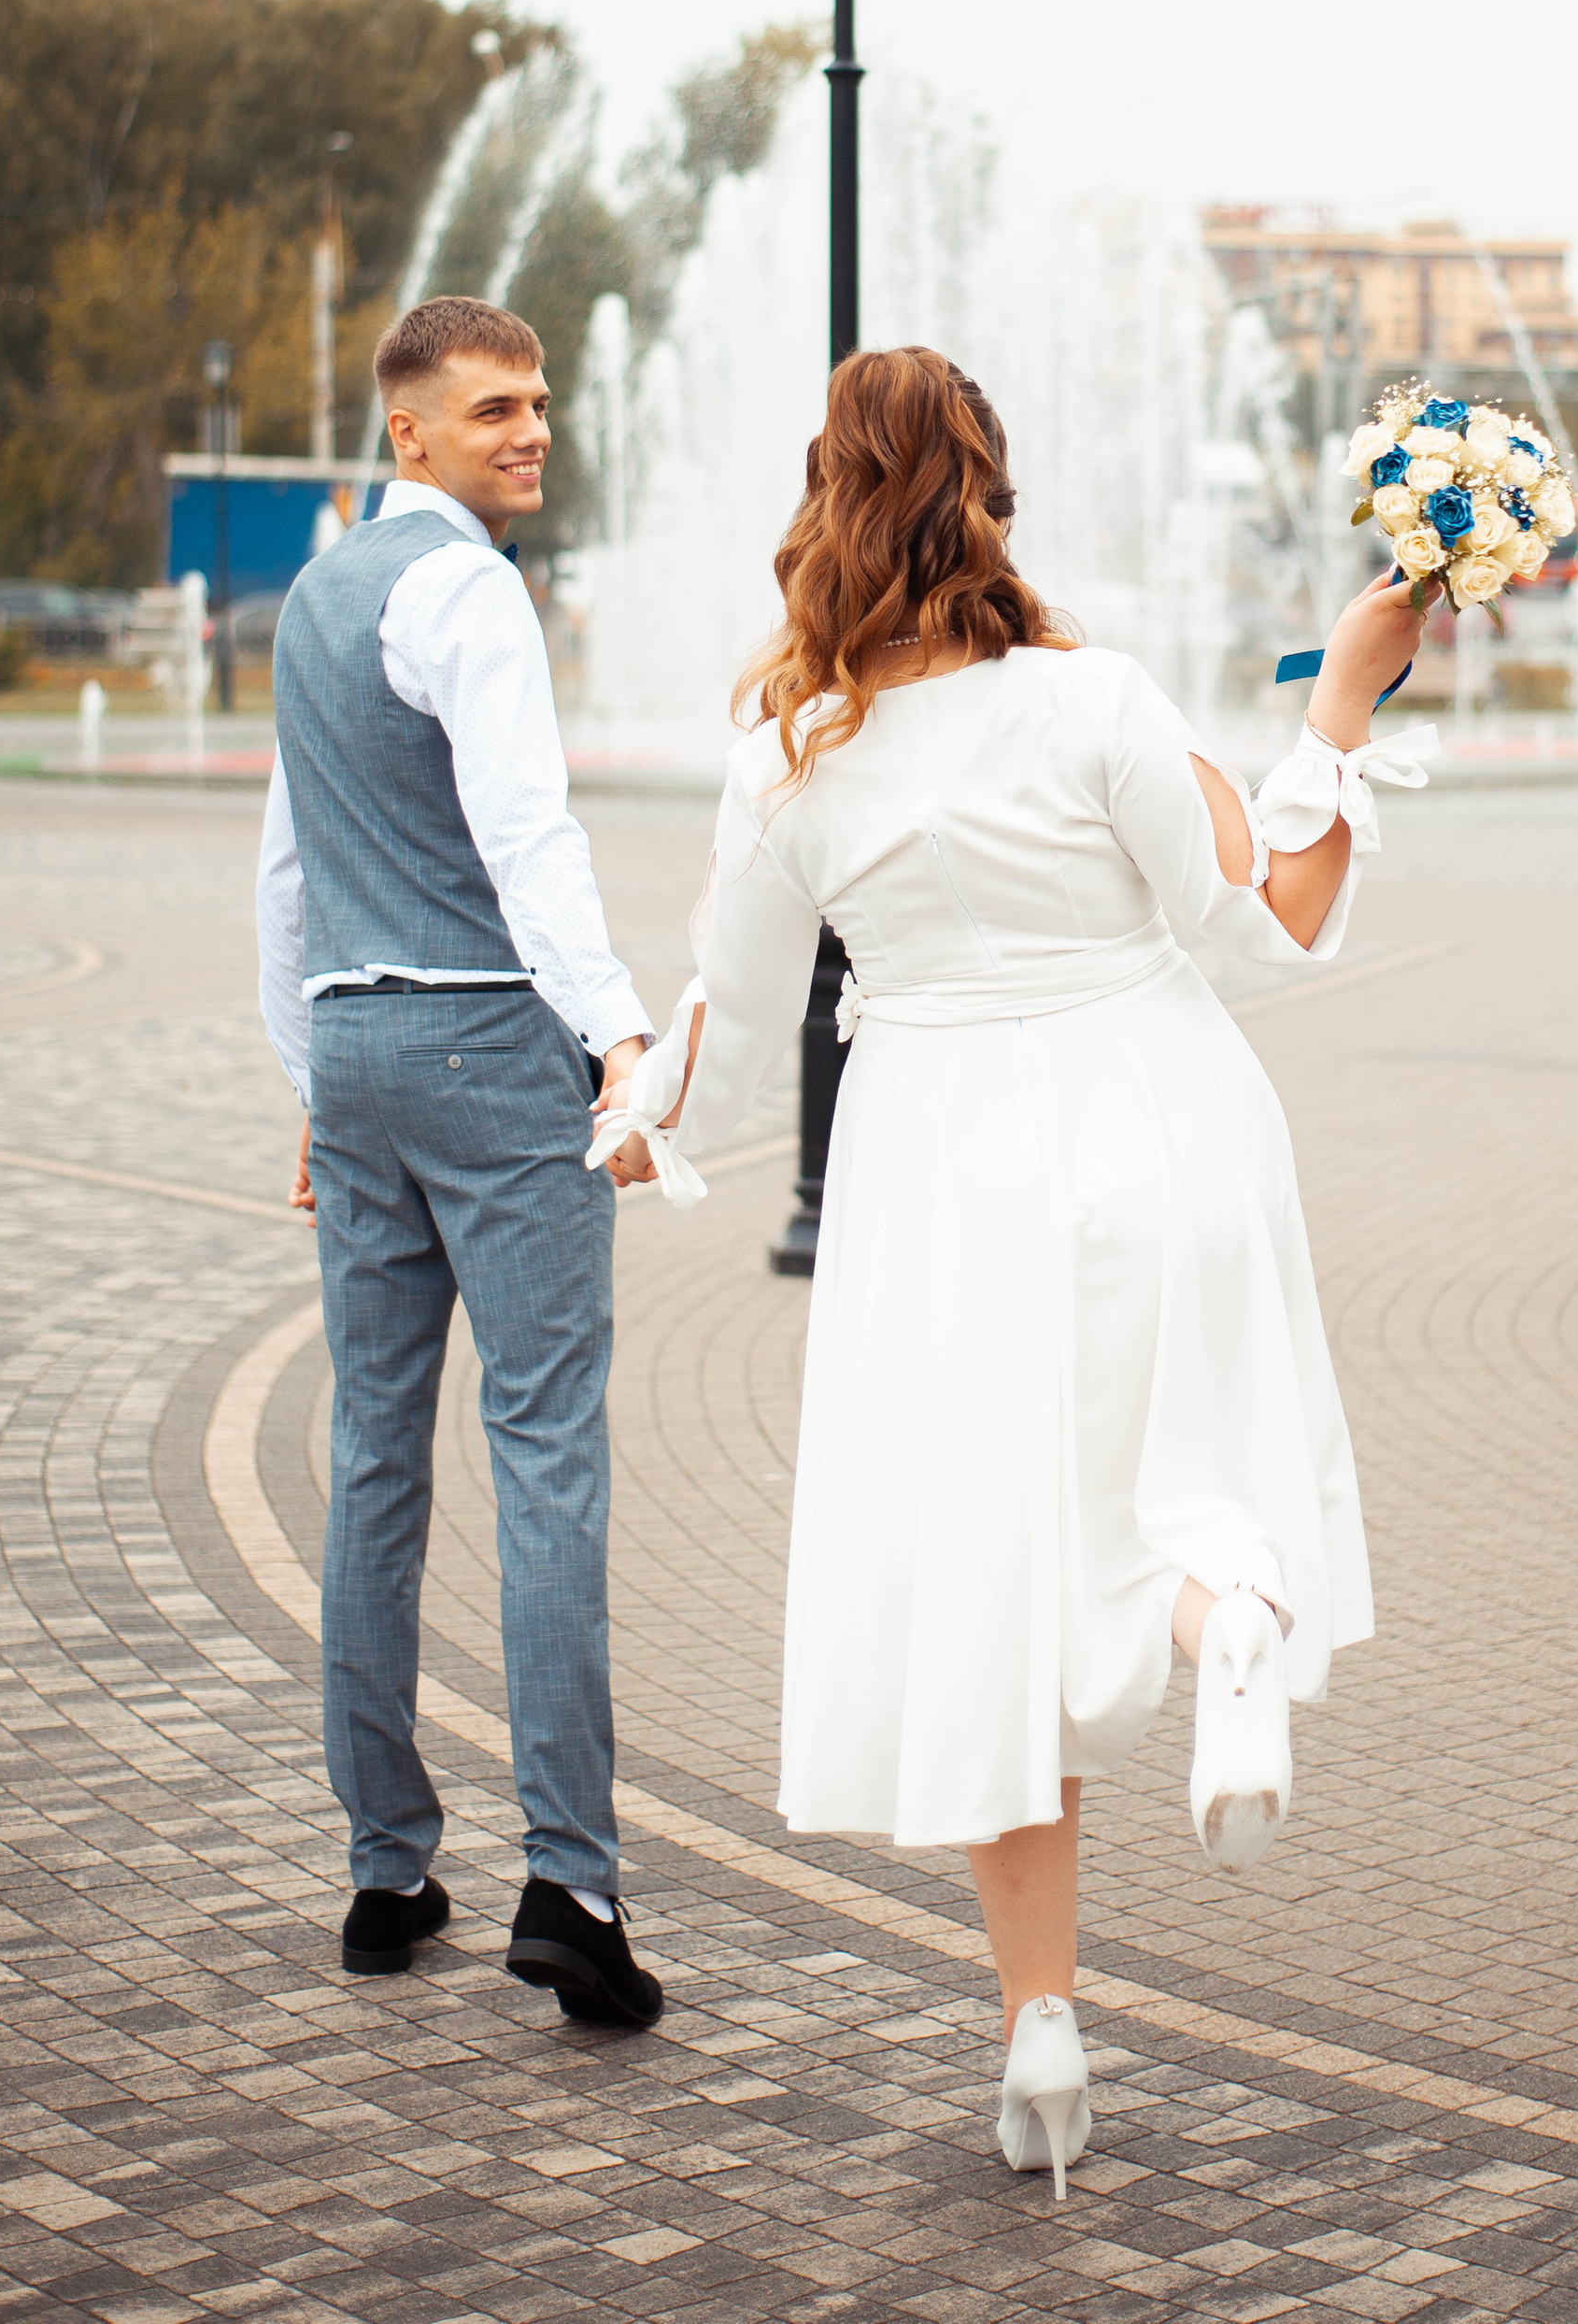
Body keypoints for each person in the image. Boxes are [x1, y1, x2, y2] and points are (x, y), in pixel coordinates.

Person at [599, 345, 1420, 2190]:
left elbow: (722, 1011)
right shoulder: (1092, 703)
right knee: (1178, 1493)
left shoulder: (788, 753)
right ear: (989, 491)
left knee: (998, 1581)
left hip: (939, 1179)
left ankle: (1038, 2028)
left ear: (822, 503)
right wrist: (1345, 705)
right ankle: (1232, 1637)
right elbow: (1265, 915)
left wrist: (641, 1105)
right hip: (1158, 1122)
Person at [256, 292, 665, 2030]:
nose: (531, 431)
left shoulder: (311, 598)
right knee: (548, 1455)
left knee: (372, 1457)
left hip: (358, 1048)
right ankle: (570, 1886)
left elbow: (286, 871)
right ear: (406, 432)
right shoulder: (469, 591)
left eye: (542, 403)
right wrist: (624, 1040)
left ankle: (383, 1869)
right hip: (494, 1044)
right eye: (492, 408)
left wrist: (311, 1068)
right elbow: (528, 835)